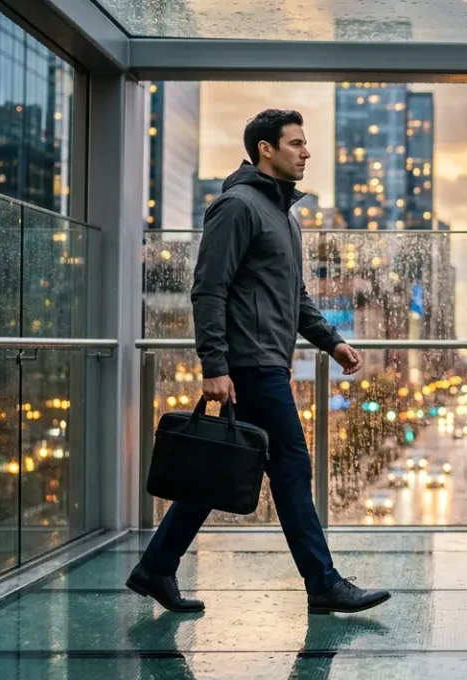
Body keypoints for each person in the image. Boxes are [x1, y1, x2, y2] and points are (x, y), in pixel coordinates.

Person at [126, 109, 391, 616]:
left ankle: (156, 567)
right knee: (291, 466)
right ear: (265, 149)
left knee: (216, 467)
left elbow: (295, 298)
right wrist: (214, 365)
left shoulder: (285, 217)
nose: (306, 152)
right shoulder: (236, 206)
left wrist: (331, 341)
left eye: (306, 144)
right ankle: (322, 582)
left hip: (267, 360)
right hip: (247, 364)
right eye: (295, 143)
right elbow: (208, 288)